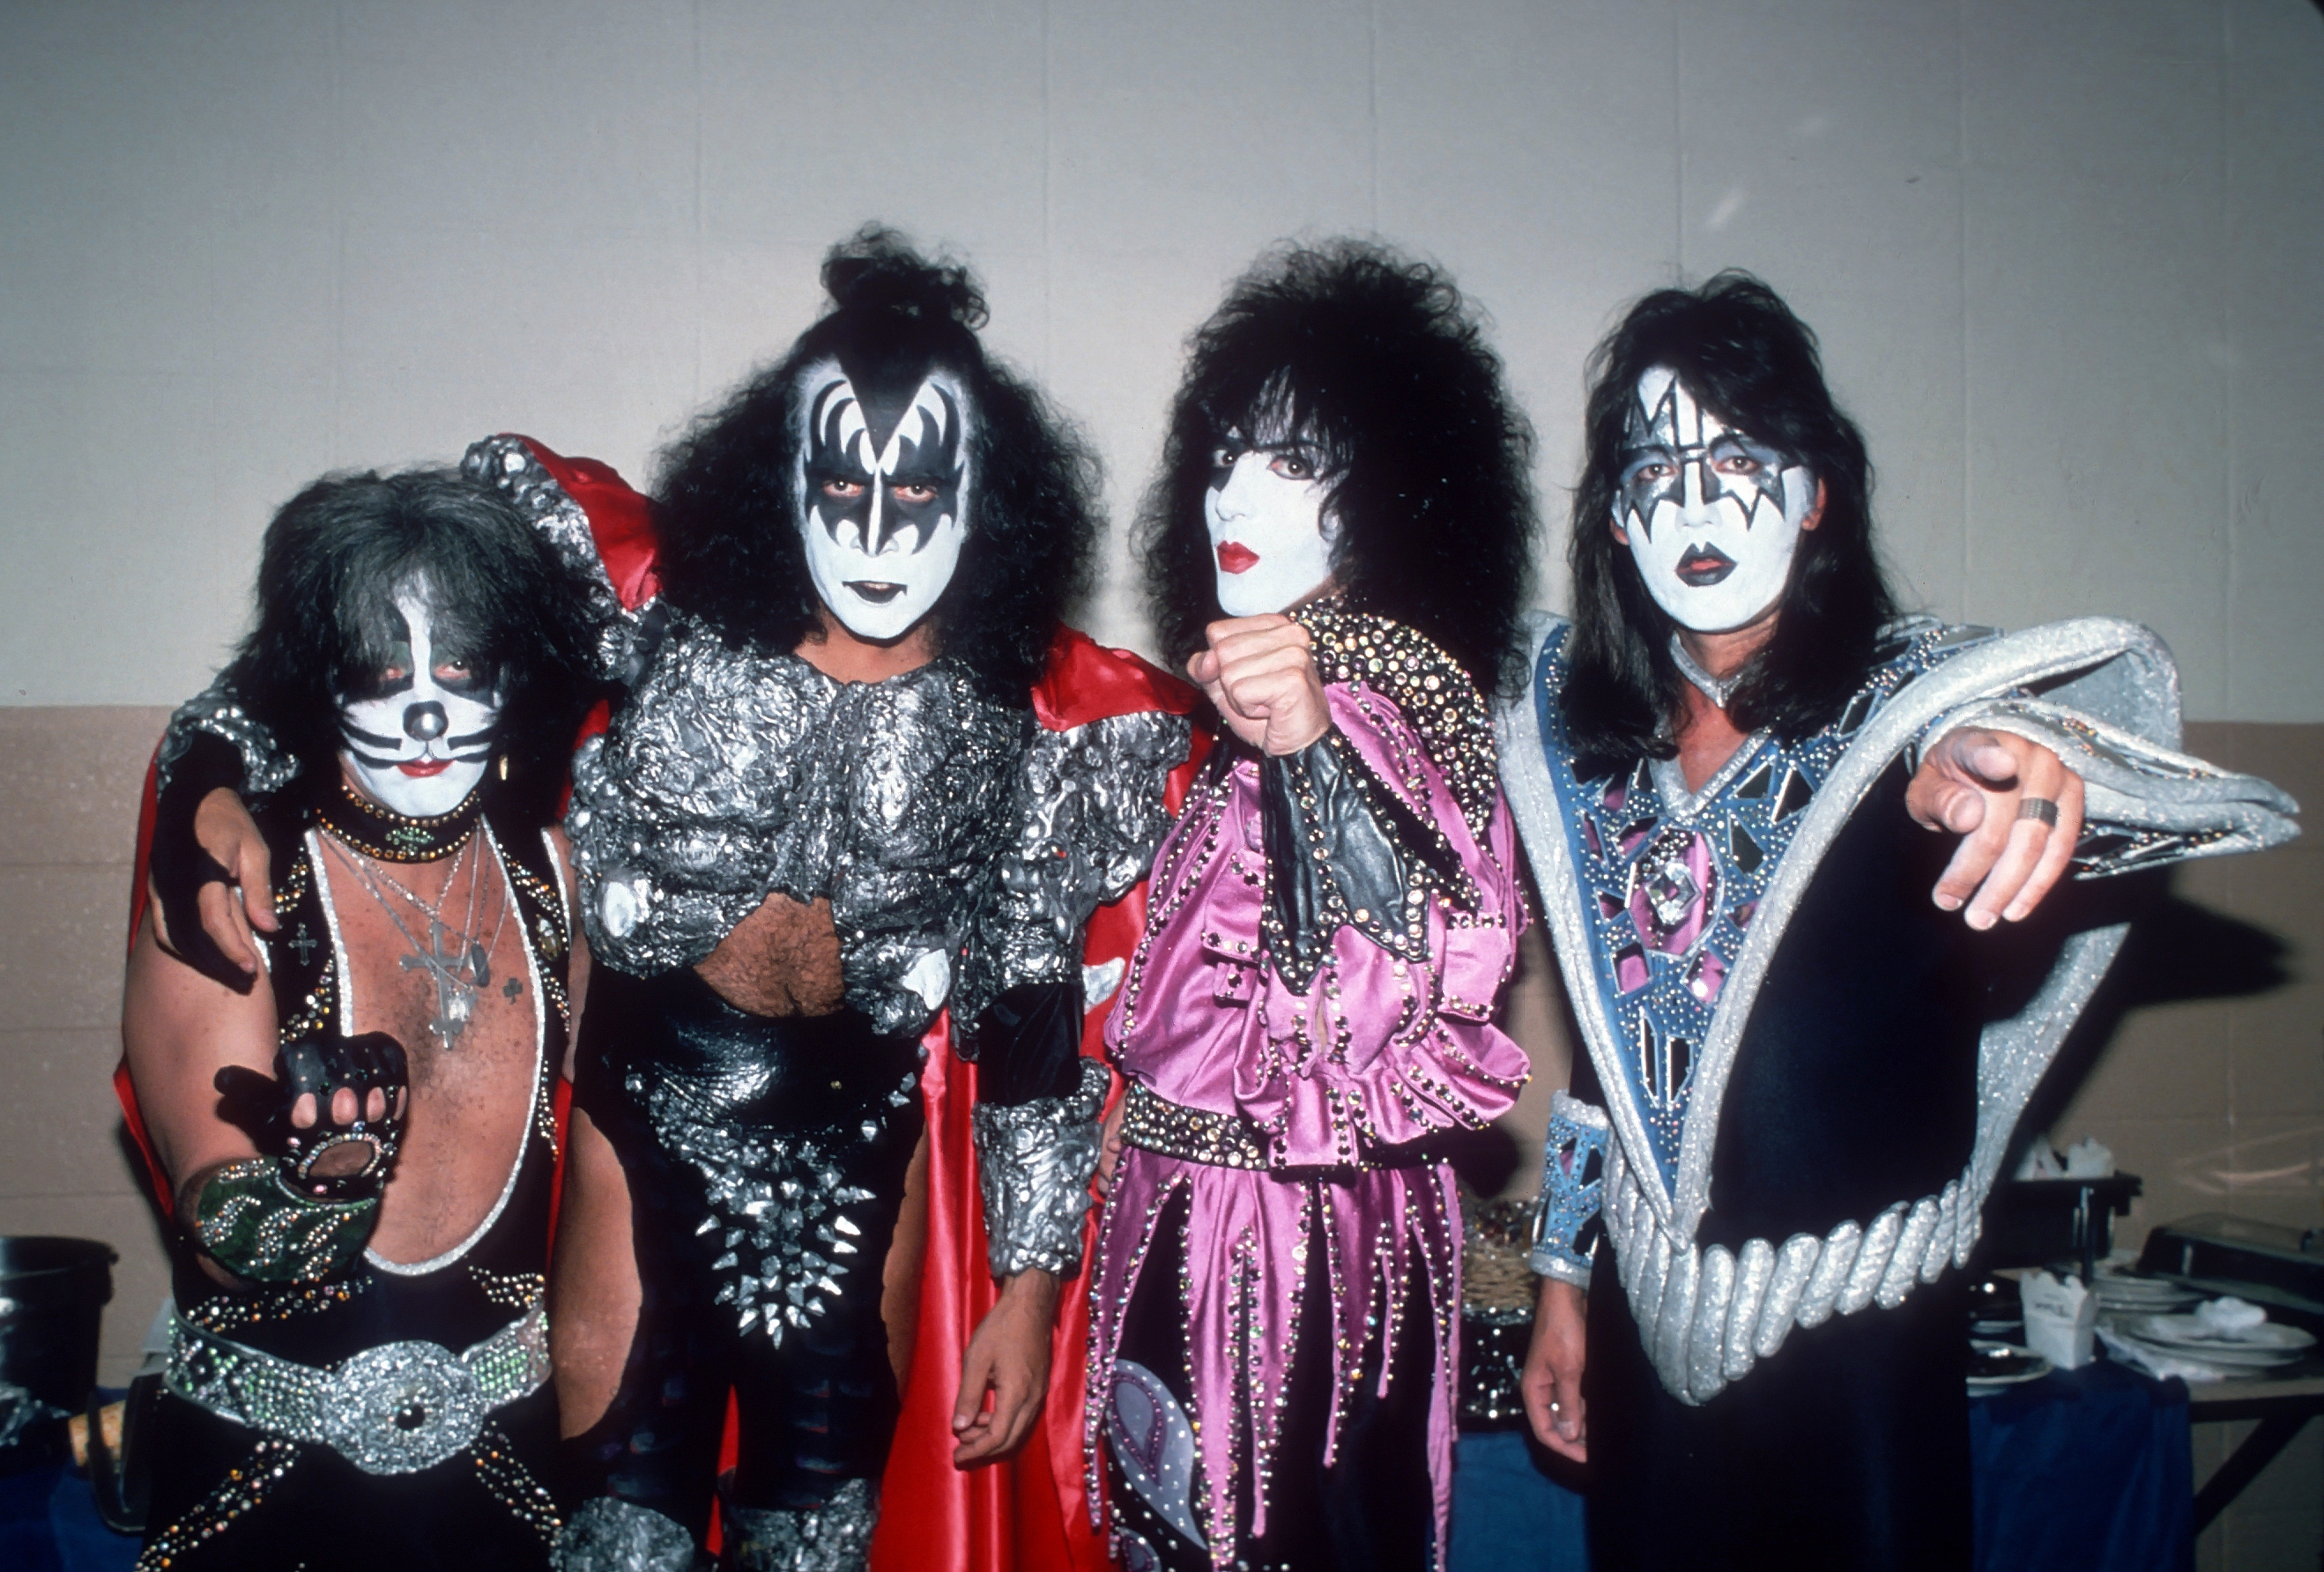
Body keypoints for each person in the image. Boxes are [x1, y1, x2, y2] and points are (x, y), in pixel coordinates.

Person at [139, 234, 1200, 1572]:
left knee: (812, 1540)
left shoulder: (1033, 727)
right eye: (839, 479)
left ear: (988, 498)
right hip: (641, 1128)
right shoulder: (651, 614)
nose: (874, 529)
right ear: (781, 473)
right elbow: (357, 627)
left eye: (918, 486)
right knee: (619, 1537)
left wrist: (1031, 1294)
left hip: (863, 1148)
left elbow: (1034, 1018)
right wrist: (207, 778)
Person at [1499, 273, 2301, 1569]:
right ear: (1614, 520)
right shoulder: (1593, 744)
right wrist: (1563, 1279)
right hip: (1646, 1343)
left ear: (1816, 494)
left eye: (1740, 459)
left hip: (1861, 1352)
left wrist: (2020, 768)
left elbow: (2025, 740)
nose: (1695, 504)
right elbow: (1612, 1051)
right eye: (1654, 467)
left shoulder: (1913, 696)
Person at [1088, 241, 1537, 1572]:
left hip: (1288, 1253)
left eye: (1294, 459)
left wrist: (1307, 747)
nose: (1235, 488)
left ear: (1390, 495)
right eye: (1227, 454)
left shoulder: (1369, 698)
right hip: (1200, 1222)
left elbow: (1426, 960)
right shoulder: (1262, 700)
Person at [119, 467, 603, 1569]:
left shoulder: (555, 877)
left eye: (461, 667)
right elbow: (225, 1230)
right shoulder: (236, 884)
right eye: (384, 673)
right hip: (259, 1488)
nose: (425, 712)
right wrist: (309, 1187)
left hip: (513, 1485)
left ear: (514, 676)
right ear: (316, 679)